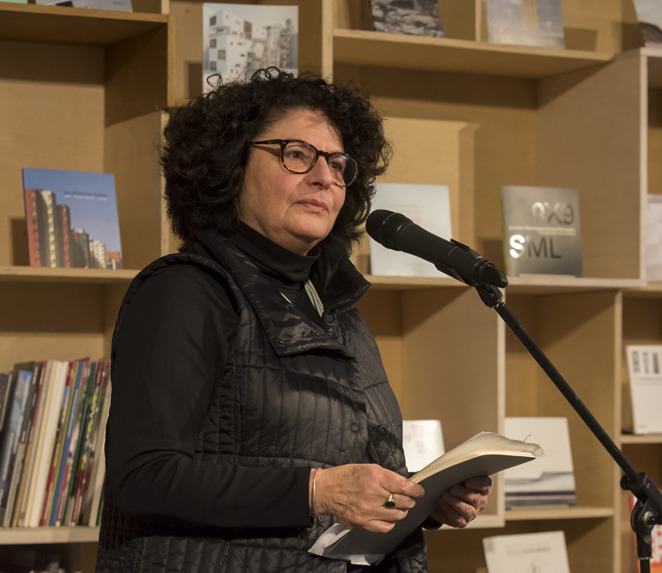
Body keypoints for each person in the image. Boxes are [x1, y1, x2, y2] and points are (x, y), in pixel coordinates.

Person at [95, 68, 492, 573]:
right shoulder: (185, 290)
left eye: (337, 163)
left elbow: (336, 467)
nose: (324, 177)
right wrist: (317, 490)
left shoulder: (336, 305)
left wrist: (422, 497)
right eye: (297, 154)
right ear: (229, 165)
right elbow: (143, 476)